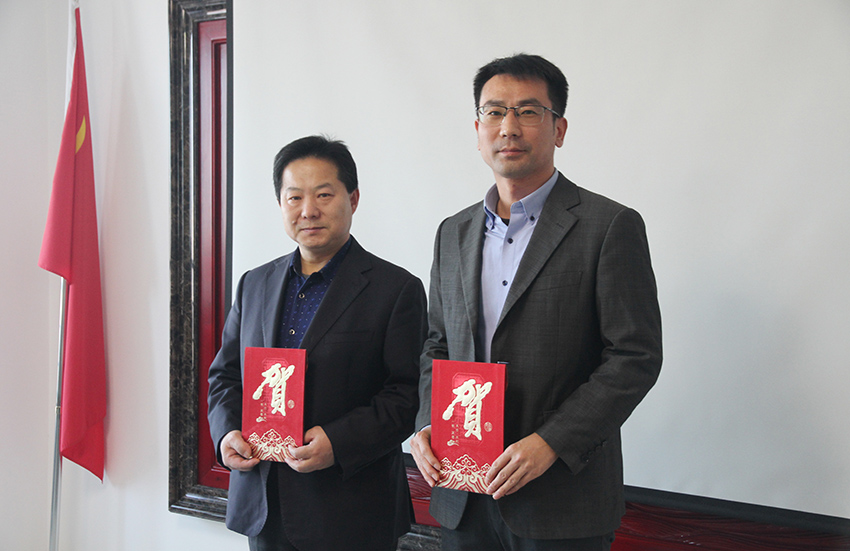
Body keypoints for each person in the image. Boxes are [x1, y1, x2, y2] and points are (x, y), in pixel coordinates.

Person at [410, 54, 663, 551]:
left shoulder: (609, 226)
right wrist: (427, 422)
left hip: (561, 499)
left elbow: (634, 356)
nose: (509, 126)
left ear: (559, 129)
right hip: (463, 493)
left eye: (528, 111)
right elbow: (436, 345)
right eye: (494, 112)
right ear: (478, 129)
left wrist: (552, 442)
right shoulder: (452, 232)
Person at [208, 135, 427, 551]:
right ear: (281, 204)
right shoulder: (255, 283)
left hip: (351, 510)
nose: (308, 210)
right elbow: (225, 376)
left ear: (353, 199)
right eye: (294, 197)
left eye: (324, 194)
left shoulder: (396, 289)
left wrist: (337, 443)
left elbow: (406, 395)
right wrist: (227, 433)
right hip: (264, 504)